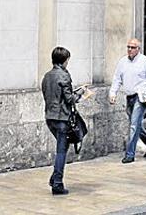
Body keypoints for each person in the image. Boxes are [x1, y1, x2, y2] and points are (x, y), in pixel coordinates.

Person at [109, 38, 146, 163]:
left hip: (141, 96)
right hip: (129, 96)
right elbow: (117, 79)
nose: (130, 50)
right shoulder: (122, 62)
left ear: (138, 49)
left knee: (133, 125)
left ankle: (130, 154)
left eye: (133, 47)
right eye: (128, 47)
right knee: (136, 125)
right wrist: (112, 93)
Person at [42, 46, 82, 196]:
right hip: (62, 118)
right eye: (67, 60)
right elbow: (69, 99)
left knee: (62, 148)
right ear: (64, 60)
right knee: (61, 151)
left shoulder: (47, 76)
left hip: (50, 117)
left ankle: (54, 178)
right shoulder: (64, 76)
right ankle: (57, 183)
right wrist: (81, 94)